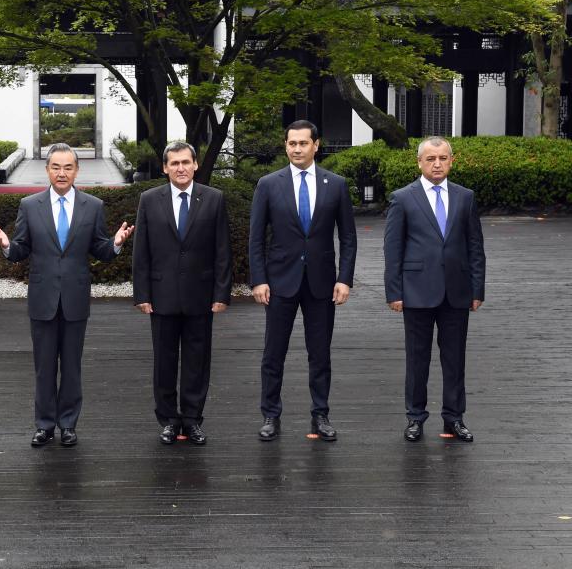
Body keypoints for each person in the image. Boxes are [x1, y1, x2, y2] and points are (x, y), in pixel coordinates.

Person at [0, 143, 134, 447]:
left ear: (77, 171)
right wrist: (5, 244)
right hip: (42, 299)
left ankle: (68, 424)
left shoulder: (92, 206)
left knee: (71, 366)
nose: (62, 173)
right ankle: (44, 425)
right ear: (47, 170)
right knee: (44, 367)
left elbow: (101, 250)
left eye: (68, 167)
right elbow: (19, 250)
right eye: (56, 167)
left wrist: (117, 243)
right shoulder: (29, 206)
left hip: (75, 299)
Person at [248, 120, 357, 442]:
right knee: (273, 353)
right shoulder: (268, 184)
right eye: (292, 143)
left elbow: (348, 238)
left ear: (316, 145)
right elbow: (256, 238)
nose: (297, 149)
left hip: (322, 283)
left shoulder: (335, 184)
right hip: (280, 281)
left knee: (320, 353)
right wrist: (259, 279)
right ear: (285, 146)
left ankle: (320, 414)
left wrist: (345, 278)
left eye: (303, 143)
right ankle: (270, 414)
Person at [383, 136, 485, 443]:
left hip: (456, 291)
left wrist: (477, 289)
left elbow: (475, 246)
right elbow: (393, 248)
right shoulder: (403, 198)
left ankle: (454, 417)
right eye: (430, 159)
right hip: (416, 291)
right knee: (417, 359)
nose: (437, 163)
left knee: (455, 359)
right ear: (419, 163)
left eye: (442, 158)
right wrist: (394, 292)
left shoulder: (465, 197)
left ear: (452, 161)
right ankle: (415, 417)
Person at [132, 142, 232, 445]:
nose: (180, 168)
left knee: (197, 361)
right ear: (164, 168)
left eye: (186, 162)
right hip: (161, 296)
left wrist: (222, 293)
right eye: (174, 163)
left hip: (201, 295)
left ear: (196, 164)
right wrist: (142, 294)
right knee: (164, 362)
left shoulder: (214, 199)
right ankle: (168, 420)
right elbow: (141, 252)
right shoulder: (149, 200)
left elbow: (222, 251)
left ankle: (192, 419)